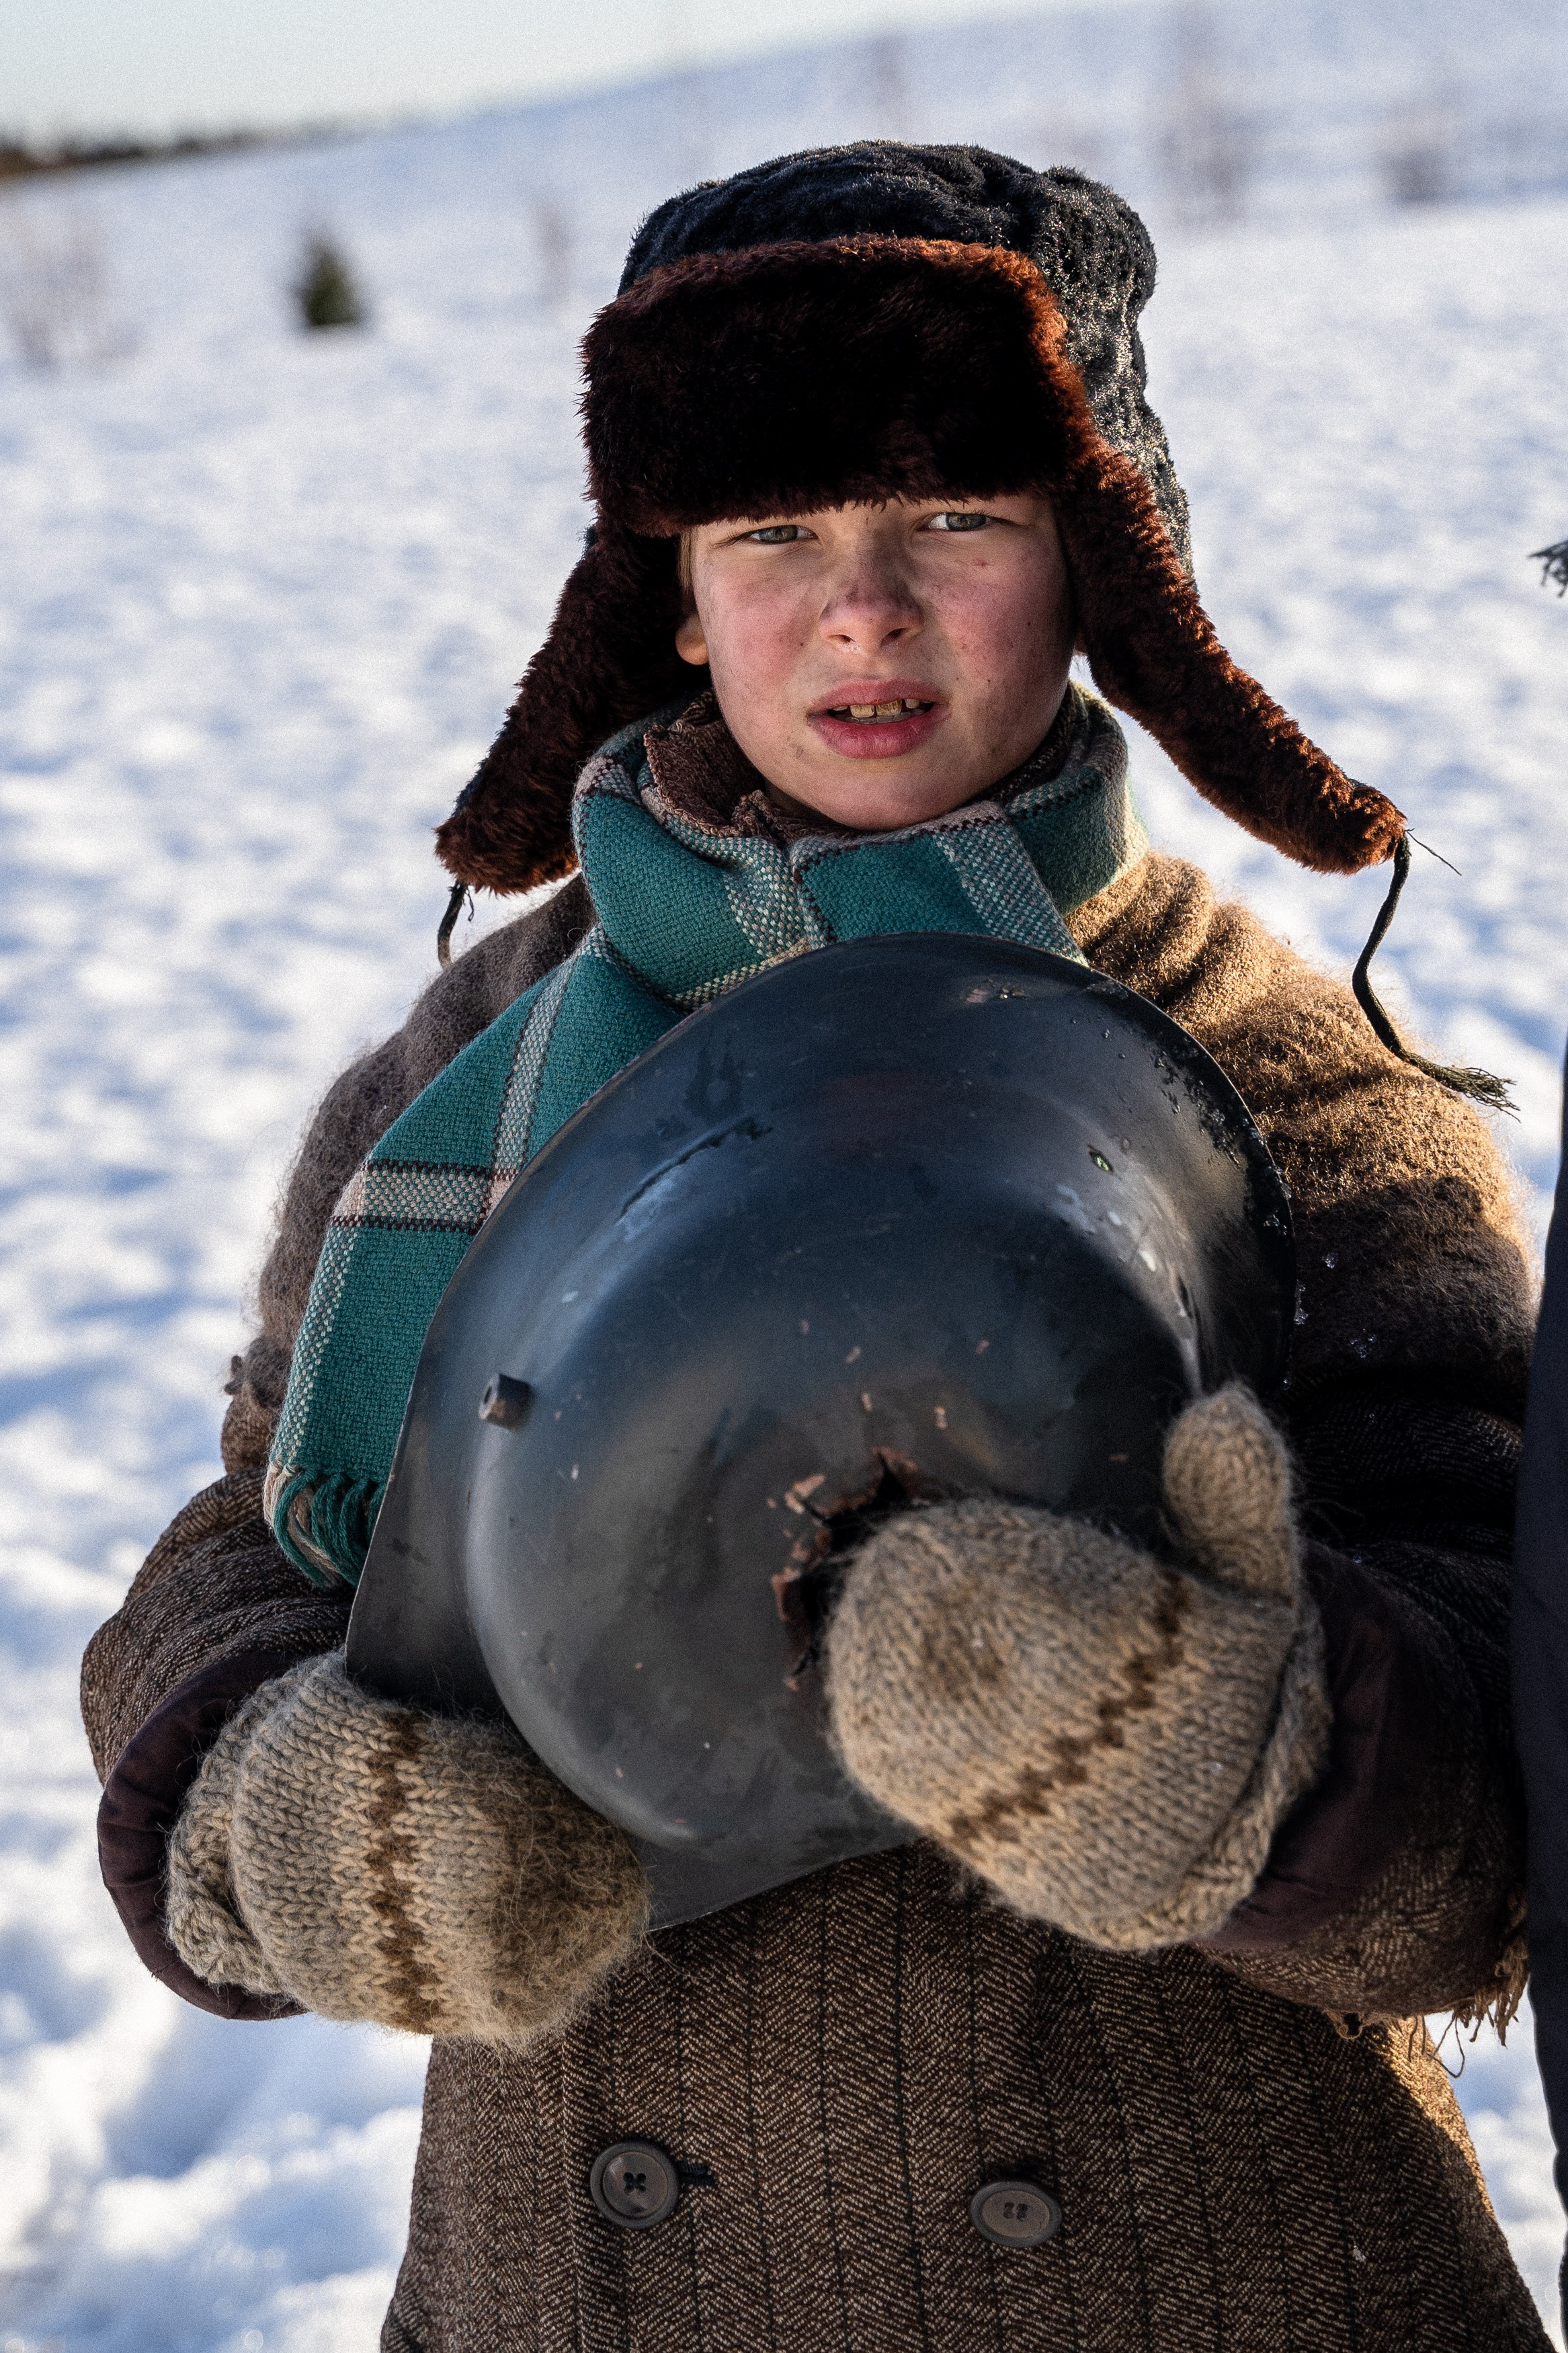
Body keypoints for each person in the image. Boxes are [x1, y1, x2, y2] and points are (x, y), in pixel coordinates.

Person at [82, 145, 1546, 2349]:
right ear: (674, 594)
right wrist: (271, 1804)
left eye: (955, 515)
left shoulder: (1291, 1085)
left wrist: (1248, 1751)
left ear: (1096, 569)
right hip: (579, 2288)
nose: (862, 607)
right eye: (771, 533)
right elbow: (257, 1542)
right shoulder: (462, 1081)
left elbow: (1514, 1772)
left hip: (1210, 2270)